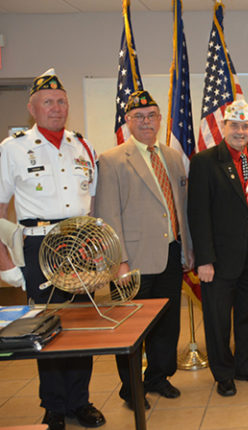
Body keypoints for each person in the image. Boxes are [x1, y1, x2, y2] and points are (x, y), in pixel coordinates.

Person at [0, 69, 105, 430]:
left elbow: (92, 203)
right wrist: (5, 264)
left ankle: (81, 401)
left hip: (79, 245)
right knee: (46, 327)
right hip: (38, 246)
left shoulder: (83, 145)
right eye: (48, 101)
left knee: (83, 326)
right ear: (33, 107)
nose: (56, 107)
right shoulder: (12, 149)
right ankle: (54, 406)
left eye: (61, 101)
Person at [94, 90, 193, 409]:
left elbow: (181, 208)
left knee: (167, 323)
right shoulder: (111, 160)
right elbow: (108, 215)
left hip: (171, 255)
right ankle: (131, 387)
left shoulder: (173, 157)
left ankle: (157, 378)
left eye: (152, 115)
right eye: (139, 116)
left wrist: (187, 249)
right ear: (128, 121)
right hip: (132, 263)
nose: (147, 122)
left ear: (160, 119)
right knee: (131, 327)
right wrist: (118, 262)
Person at [188, 100, 248, 397]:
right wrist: (205, 260)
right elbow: (198, 215)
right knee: (218, 318)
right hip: (219, 257)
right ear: (224, 127)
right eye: (234, 125)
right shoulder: (204, 161)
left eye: (245, 126)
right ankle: (223, 374)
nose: (240, 131)